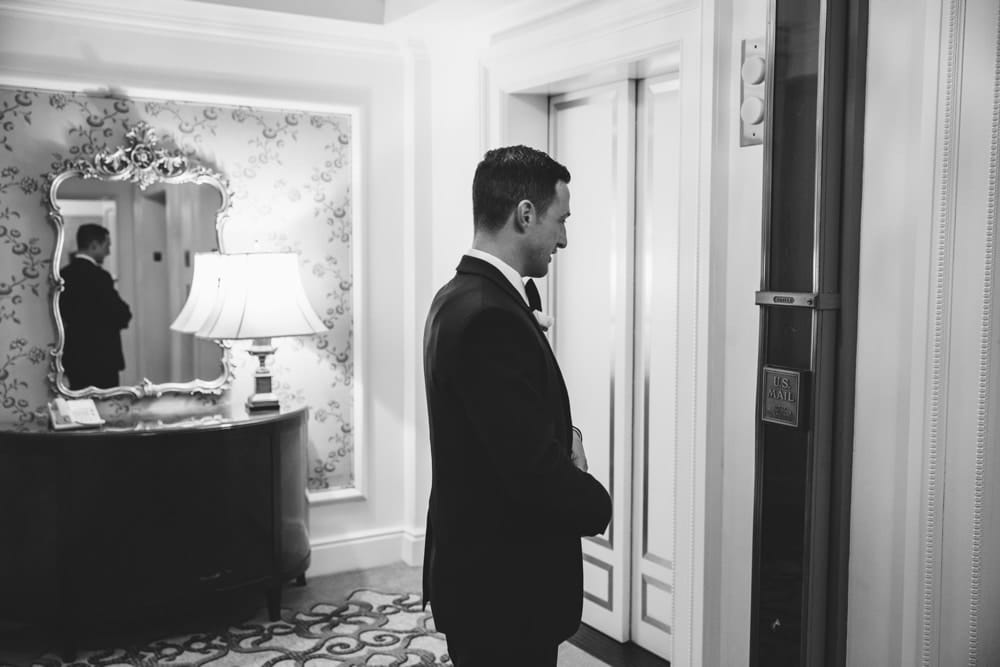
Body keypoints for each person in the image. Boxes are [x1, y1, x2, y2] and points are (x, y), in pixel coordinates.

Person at [422, 145, 612, 666]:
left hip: (480, 571)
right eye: (561, 220)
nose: (565, 238)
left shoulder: (457, 295)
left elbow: (502, 426)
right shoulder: (488, 317)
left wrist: (563, 436)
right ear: (525, 214)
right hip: (502, 586)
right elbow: (530, 472)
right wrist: (597, 502)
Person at [59, 223, 132, 390]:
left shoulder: (64, 275)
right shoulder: (100, 277)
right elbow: (122, 314)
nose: (109, 251)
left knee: (82, 407)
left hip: (74, 355)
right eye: (107, 245)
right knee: (106, 408)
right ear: (93, 245)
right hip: (103, 356)